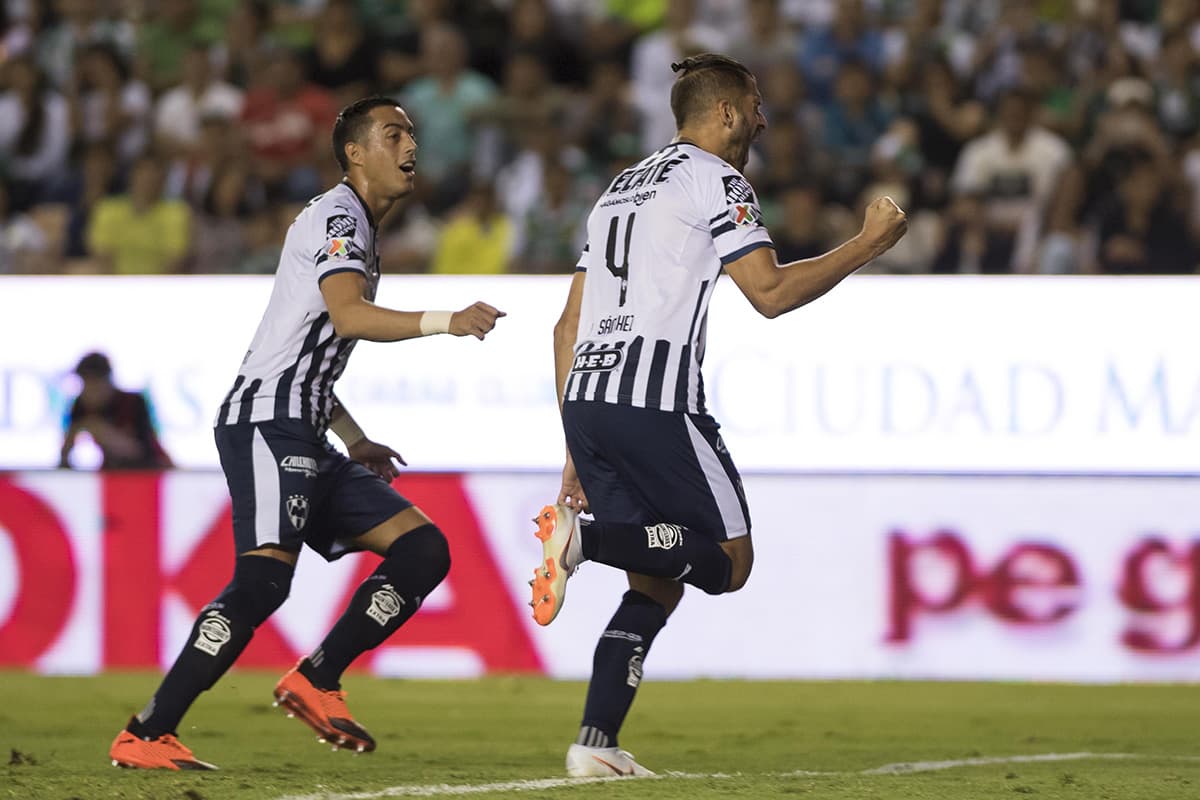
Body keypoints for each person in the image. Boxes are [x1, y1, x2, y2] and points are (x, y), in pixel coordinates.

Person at [529, 54, 907, 778]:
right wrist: (866, 246)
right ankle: (585, 542)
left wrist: (575, 446)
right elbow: (767, 292)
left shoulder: (617, 189)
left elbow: (565, 326)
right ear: (726, 111)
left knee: (658, 578)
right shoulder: (718, 180)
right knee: (729, 562)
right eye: (756, 106)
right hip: (658, 400)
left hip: (588, 400)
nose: (763, 120)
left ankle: (595, 744)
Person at [108, 96, 505, 771]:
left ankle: (318, 677)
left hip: (305, 427)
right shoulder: (338, 216)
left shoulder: (356, 229)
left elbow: (312, 350)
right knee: (263, 582)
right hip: (266, 421)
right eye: (393, 133)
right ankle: (147, 731)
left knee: (423, 550)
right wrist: (449, 318)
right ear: (354, 152)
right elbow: (349, 318)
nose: (411, 143)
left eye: (411, 131)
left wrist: (353, 438)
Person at [59, 351, 172, 470]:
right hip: (112, 476)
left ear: (106, 381)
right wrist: (71, 439)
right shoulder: (80, 405)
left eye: (93, 383)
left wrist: (105, 433)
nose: (89, 390)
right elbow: (64, 458)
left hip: (148, 475)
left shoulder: (132, 403)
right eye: (84, 383)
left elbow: (146, 452)